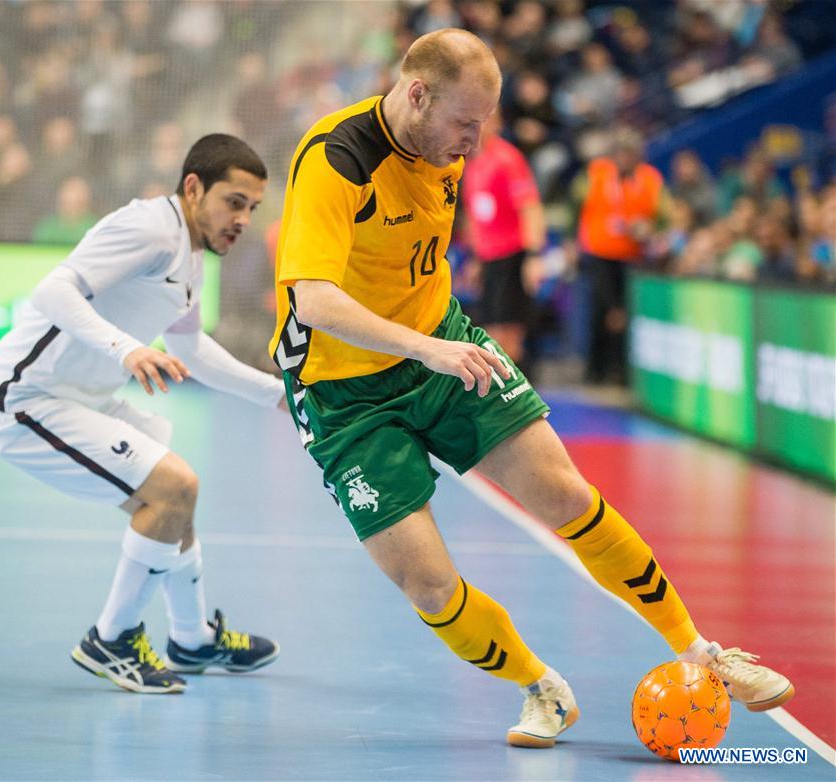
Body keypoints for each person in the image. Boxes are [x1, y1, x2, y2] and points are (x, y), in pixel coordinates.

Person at [268, 28, 793, 748]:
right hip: (342, 392)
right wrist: (428, 349)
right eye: (464, 124)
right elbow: (314, 302)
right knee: (426, 586)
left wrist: (436, 344)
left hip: (441, 348)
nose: (472, 144)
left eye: (482, 125)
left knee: (568, 495)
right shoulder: (338, 161)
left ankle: (704, 654)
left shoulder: (440, 142)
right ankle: (539, 687)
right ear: (416, 94)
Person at [0, 134, 282, 694]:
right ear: (194, 188)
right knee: (173, 487)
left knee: (175, 498)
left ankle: (191, 639)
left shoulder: (191, 255)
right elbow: (52, 291)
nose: (243, 219)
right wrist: (127, 349)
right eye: (234, 202)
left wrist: (277, 395)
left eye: (252, 208)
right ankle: (111, 639)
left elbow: (190, 352)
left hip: (81, 398)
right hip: (25, 399)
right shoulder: (147, 228)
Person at [575, 126, 667, 384]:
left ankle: (623, 373)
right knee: (601, 312)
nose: (626, 158)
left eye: (631, 154)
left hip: (631, 257)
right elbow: (577, 205)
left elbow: (666, 217)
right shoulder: (597, 173)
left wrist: (650, 229)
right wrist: (574, 242)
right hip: (599, 254)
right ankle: (595, 371)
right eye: (622, 153)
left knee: (626, 315)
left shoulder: (650, 179)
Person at [460, 107, 545, 369]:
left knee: (507, 336)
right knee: (490, 332)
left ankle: (517, 399)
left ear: (496, 124)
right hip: (489, 259)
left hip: (511, 257)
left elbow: (530, 207)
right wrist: (475, 259)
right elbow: (476, 215)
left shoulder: (508, 159)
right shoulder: (473, 164)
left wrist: (533, 257)